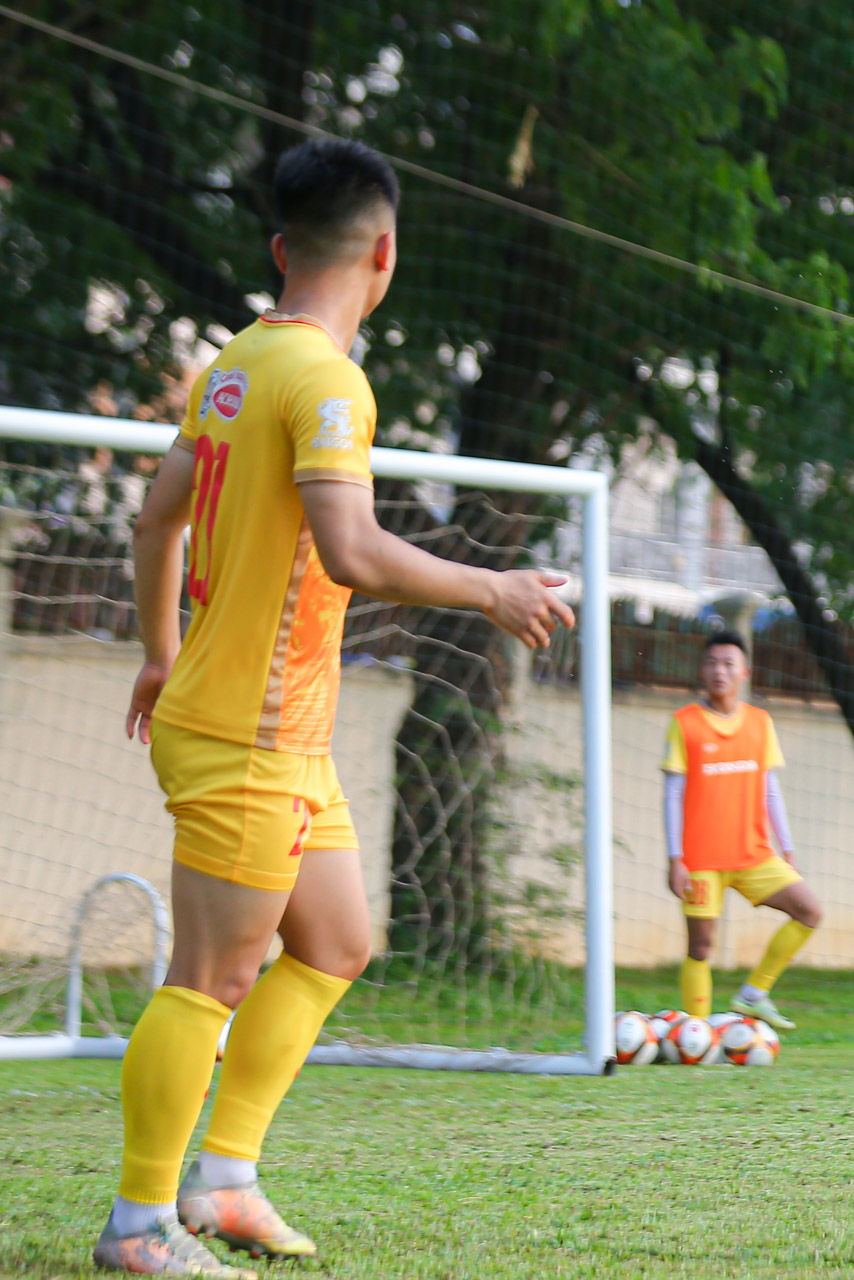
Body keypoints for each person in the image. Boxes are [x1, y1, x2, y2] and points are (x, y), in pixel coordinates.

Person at [102, 139, 574, 1276]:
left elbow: (154, 519)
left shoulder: (235, 362)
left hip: (275, 730)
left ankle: (225, 1182)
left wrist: (164, 652)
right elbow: (350, 548)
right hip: (247, 733)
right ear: (387, 251)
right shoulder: (326, 380)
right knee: (209, 980)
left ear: (279, 247)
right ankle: (135, 1226)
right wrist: (492, 585)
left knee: (336, 940)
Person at [664, 629, 822, 1031]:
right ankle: (696, 1036)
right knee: (700, 947)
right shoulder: (685, 724)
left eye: (728, 664)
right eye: (712, 663)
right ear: (702, 670)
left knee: (809, 911)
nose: (720, 671)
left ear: (744, 672)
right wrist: (675, 859)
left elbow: (771, 790)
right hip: (700, 860)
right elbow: (672, 796)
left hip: (754, 855)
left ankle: (754, 994)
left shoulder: (759, 723)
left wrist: (788, 849)